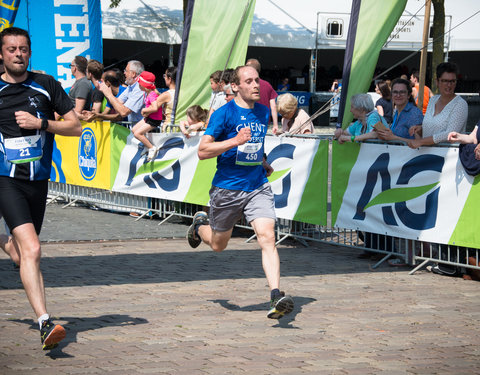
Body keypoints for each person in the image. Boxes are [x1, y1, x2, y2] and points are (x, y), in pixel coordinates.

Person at [186, 65, 294, 320]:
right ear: (235, 86)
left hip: (257, 185)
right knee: (217, 245)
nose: (257, 85)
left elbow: (256, 146)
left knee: (267, 236)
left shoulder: (263, 111)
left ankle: (276, 295)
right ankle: (200, 225)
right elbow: (203, 151)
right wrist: (235, 141)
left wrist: (263, 160)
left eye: (258, 80)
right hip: (227, 188)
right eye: (249, 81)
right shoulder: (223, 114)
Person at [0, 27, 82, 349]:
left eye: (23, 49)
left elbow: (75, 127)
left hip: (37, 182)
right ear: (2, 54)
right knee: (33, 250)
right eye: (11, 49)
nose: (18, 54)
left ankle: (5, 242)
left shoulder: (46, 86)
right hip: (5, 180)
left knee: (24, 256)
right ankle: (45, 322)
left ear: (29, 52)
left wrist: (42, 123)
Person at [408, 62, 468, 149]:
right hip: (427, 155)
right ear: (437, 82)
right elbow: (432, 127)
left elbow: (450, 134)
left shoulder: (460, 104)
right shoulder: (433, 100)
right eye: (445, 81)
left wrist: (421, 141)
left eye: (452, 81)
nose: (449, 85)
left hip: (448, 158)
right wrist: (420, 129)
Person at [376, 78, 424, 143]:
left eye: (402, 92)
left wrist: (394, 138)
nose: (398, 95)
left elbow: (419, 143)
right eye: (395, 92)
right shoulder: (396, 112)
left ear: (409, 95)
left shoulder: (414, 113)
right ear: (392, 94)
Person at [99, 60, 145, 125]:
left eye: (126, 71)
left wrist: (109, 94)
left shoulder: (140, 89)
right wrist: (106, 91)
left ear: (133, 74)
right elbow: (117, 103)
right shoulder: (130, 87)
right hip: (134, 130)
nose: (124, 73)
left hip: (142, 132)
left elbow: (123, 112)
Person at [131, 71, 163, 161]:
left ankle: (151, 147)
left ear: (144, 85)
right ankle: (147, 145)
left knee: (137, 133)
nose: (138, 85)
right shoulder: (147, 93)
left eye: (139, 83)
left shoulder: (152, 94)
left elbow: (155, 107)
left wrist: (145, 110)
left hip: (154, 120)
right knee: (134, 130)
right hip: (149, 118)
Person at [246, 58, 279, 134]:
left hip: (248, 120)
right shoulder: (267, 85)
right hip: (264, 122)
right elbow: (273, 106)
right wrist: (275, 124)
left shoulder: (246, 85)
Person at [142, 66, 176, 133]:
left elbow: (149, 111)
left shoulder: (166, 95)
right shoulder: (183, 92)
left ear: (169, 79)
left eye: (165, 76)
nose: (164, 78)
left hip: (169, 129)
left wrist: (144, 110)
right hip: (181, 127)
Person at [69, 55, 92, 120]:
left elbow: (77, 111)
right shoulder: (80, 82)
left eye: (70, 66)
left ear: (75, 68)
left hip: (78, 123)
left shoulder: (83, 84)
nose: (70, 68)